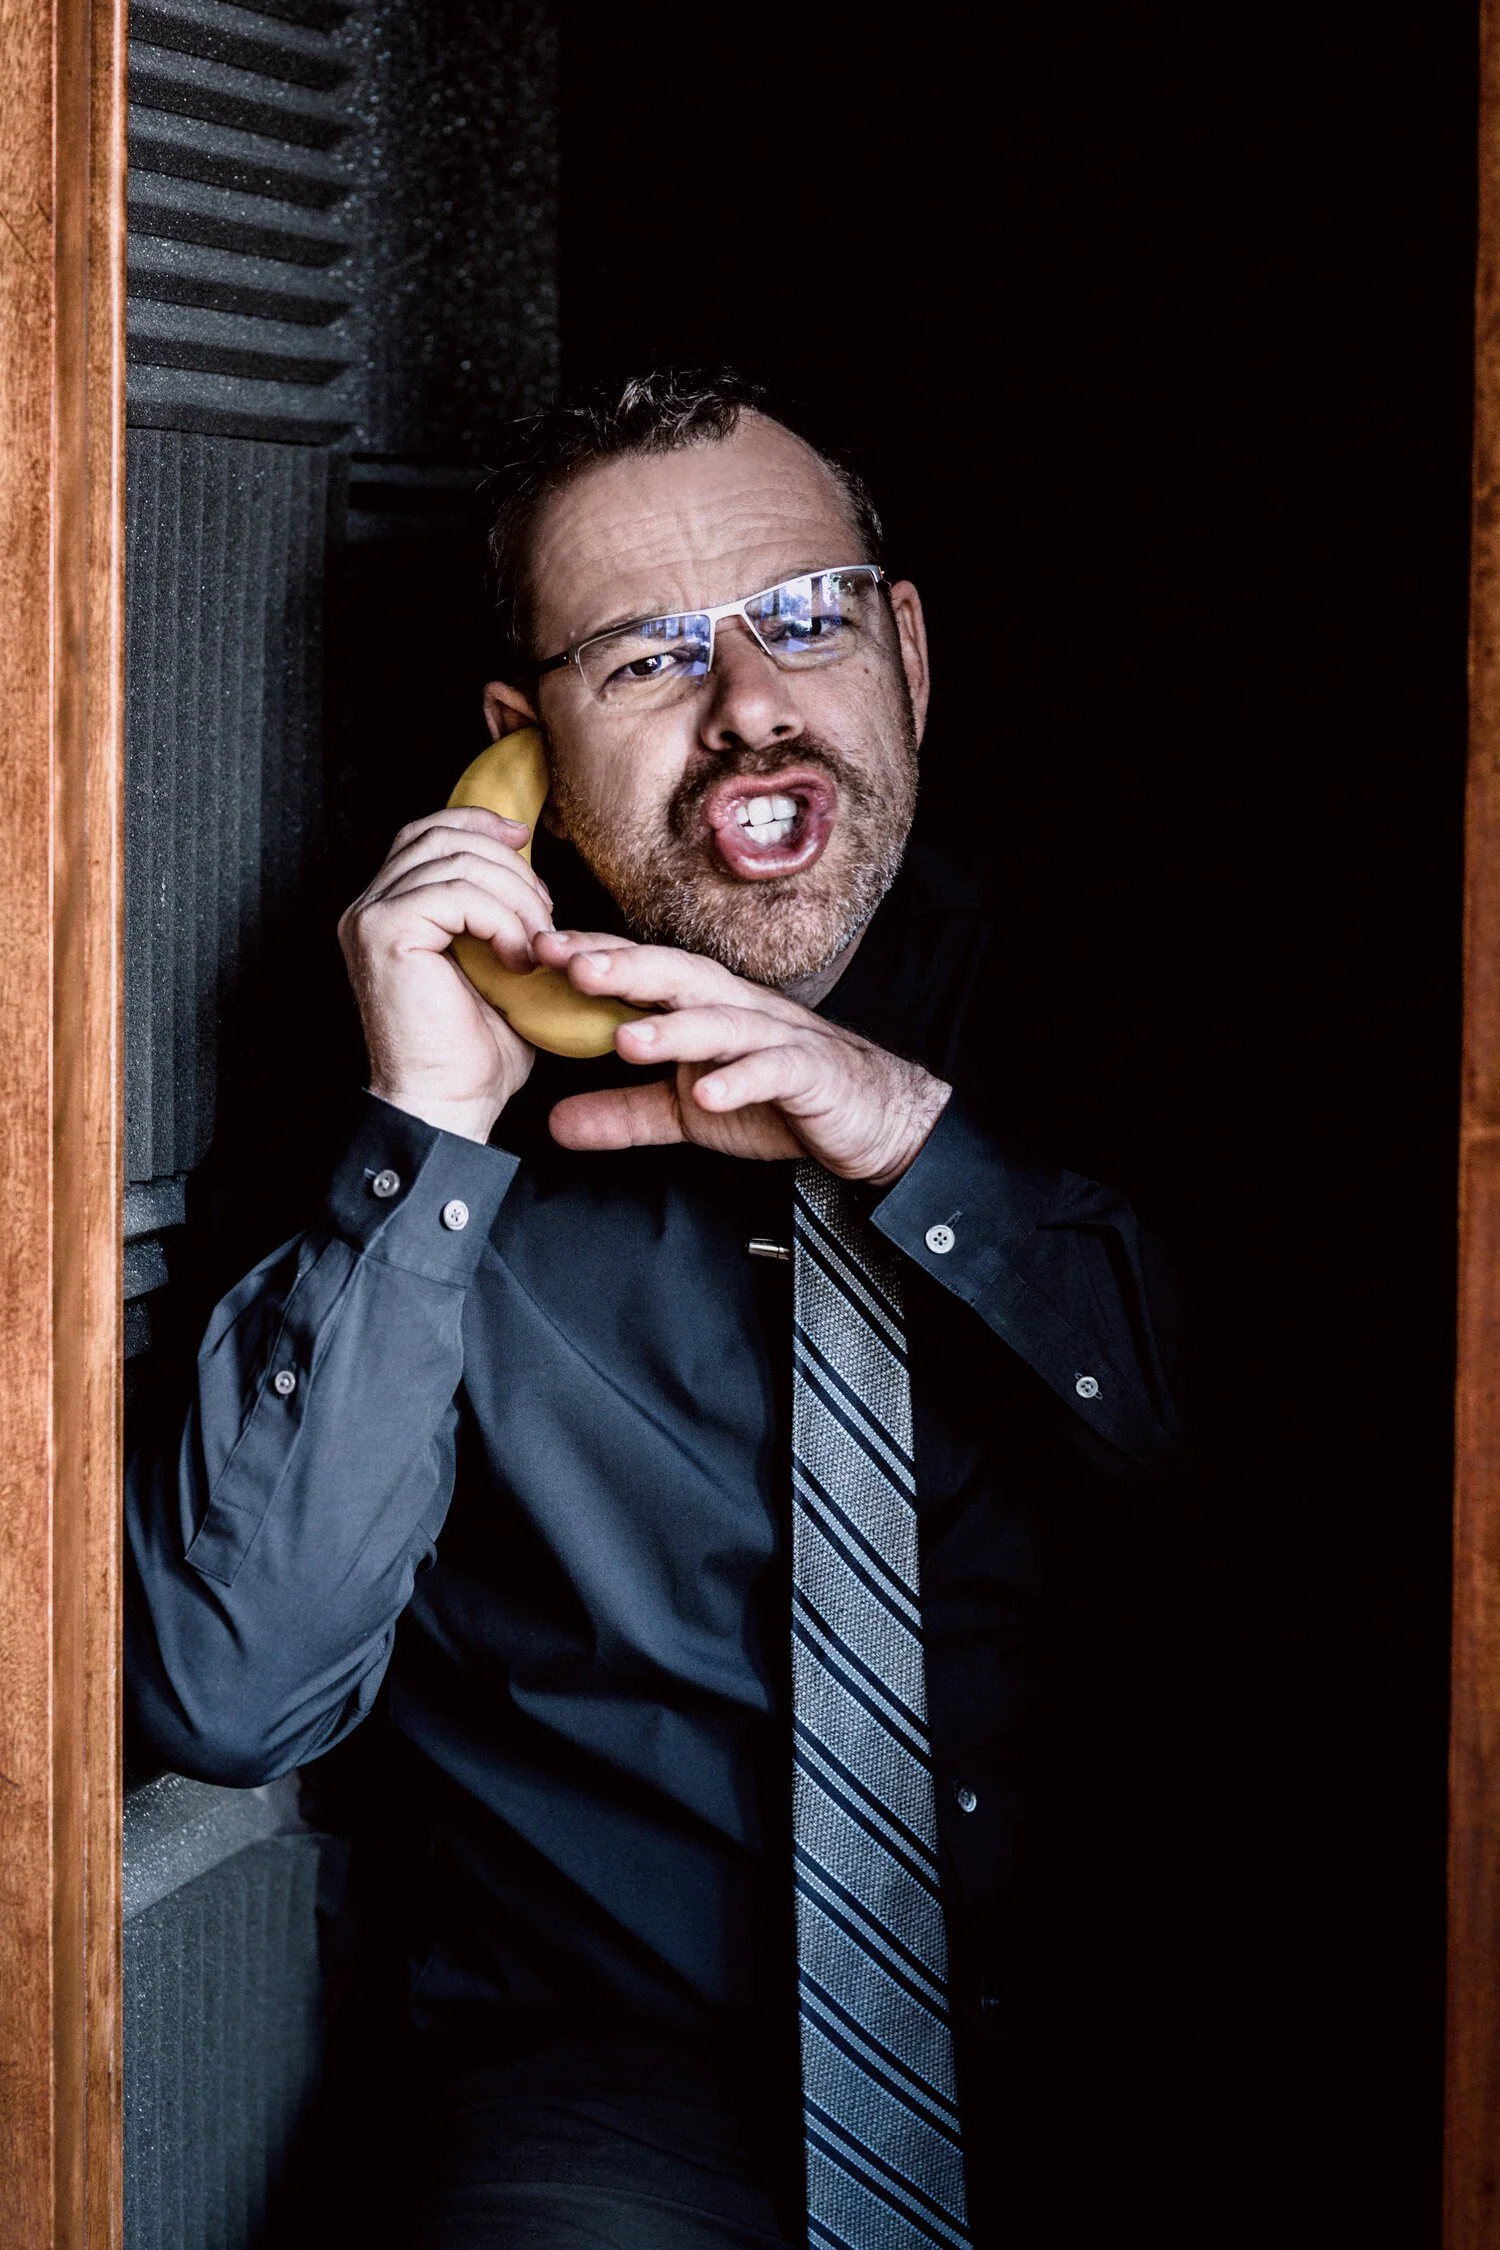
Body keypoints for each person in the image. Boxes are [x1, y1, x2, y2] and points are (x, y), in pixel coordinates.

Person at [126, 372, 1188, 2249]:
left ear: (908, 652)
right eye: (647, 659)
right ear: (520, 746)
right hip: (617, 2095)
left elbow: (1307, 1521)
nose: (752, 704)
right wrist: (432, 1123)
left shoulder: (1143, 999)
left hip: (1165, 2062)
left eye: (807, 619)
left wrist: (914, 1144)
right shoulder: (395, 1101)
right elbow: (233, 1690)